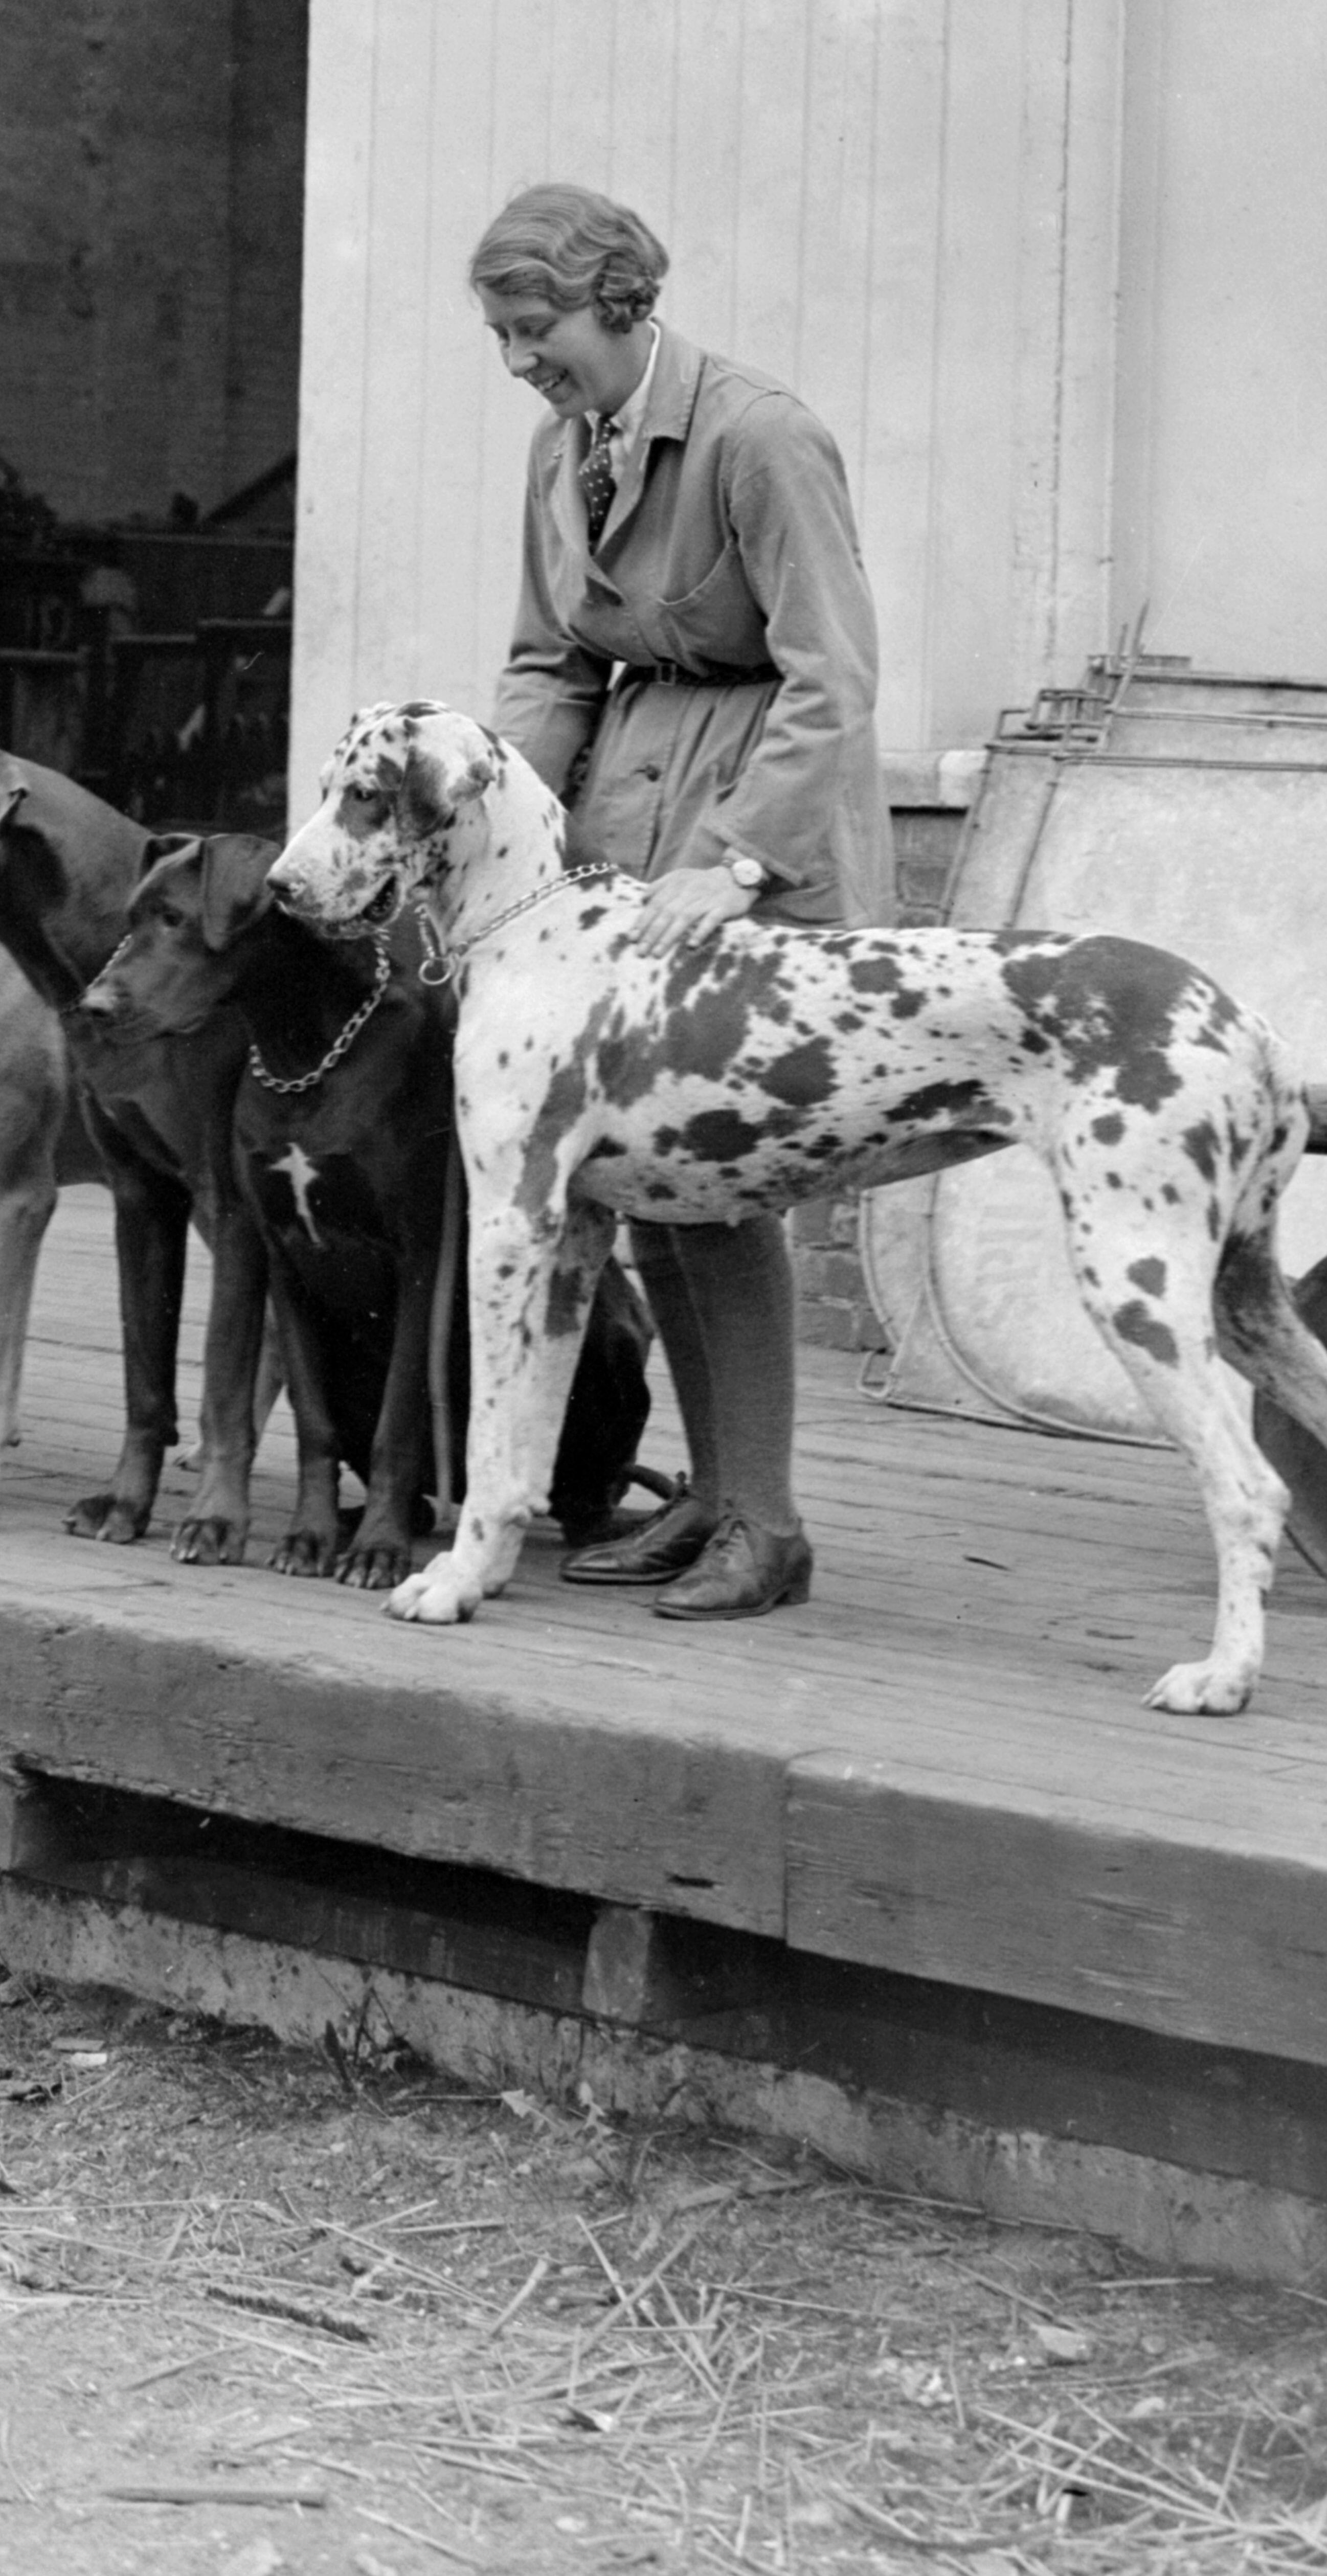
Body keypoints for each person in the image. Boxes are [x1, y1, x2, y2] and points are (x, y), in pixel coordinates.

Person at [476, 179, 894, 1619]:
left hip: (750, 841)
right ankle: (710, 1498)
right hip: (615, 835)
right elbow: (549, 666)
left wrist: (736, 863)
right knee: (653, 1172)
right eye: (501, 335)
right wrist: (493, 821)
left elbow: (835, 675)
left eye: (536, 331)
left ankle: (765, 1521)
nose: (519, 360)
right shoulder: (559, 446)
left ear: (623, 303)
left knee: (722, 1178)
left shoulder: (760, 436)